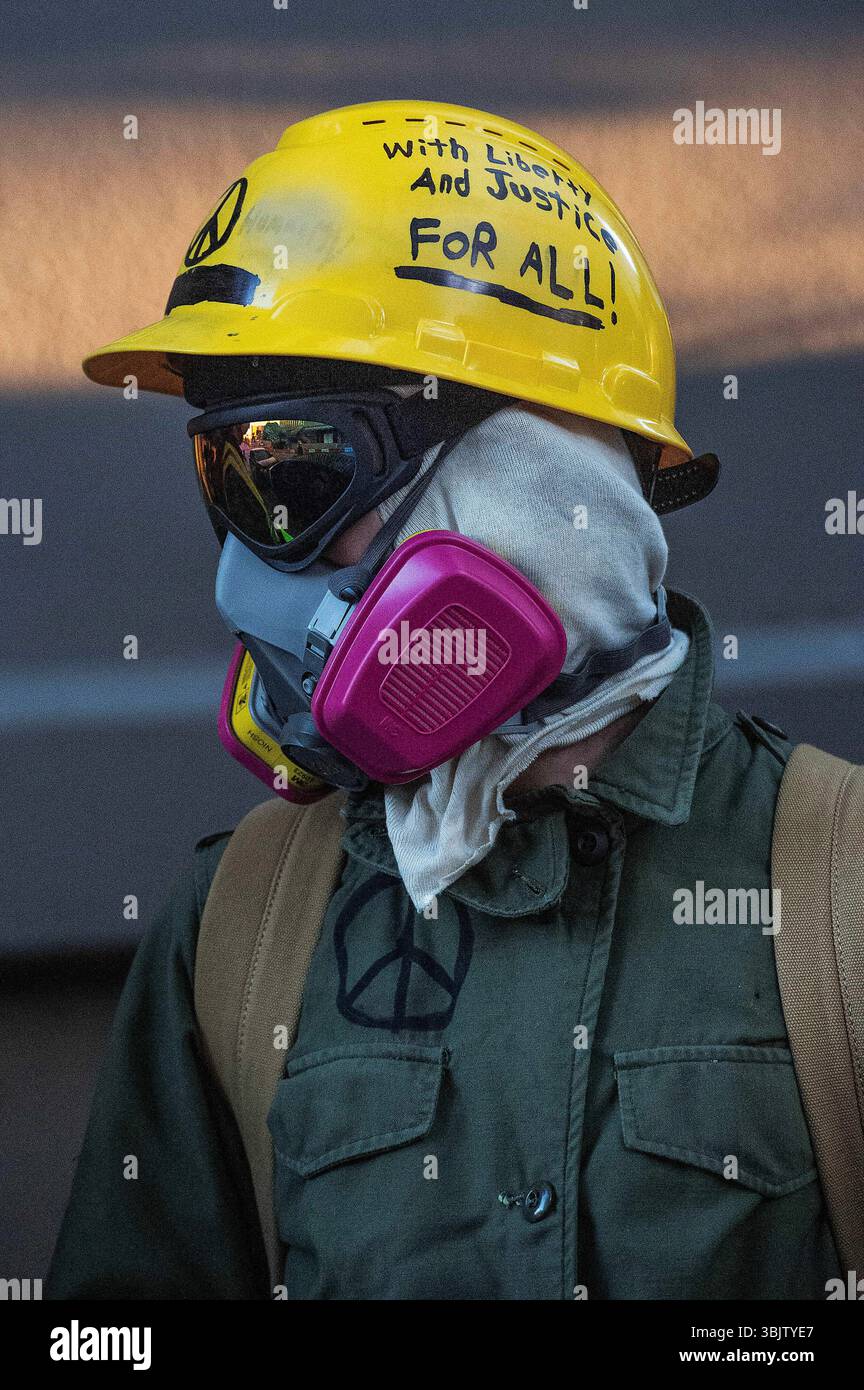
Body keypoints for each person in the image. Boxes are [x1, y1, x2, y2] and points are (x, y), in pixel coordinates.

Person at [47, 100, 849, 1301]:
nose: (244, 577)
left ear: (528, 485)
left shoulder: (840, 905)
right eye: (224, 483)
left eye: (290, 477)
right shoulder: (241, 929)